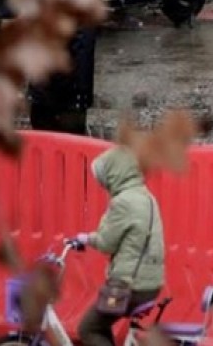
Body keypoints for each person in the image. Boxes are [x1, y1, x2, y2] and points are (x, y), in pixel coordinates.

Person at [75, 146, 165, 346]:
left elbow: (106, 243)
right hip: (150, 285)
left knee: (88, 329)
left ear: (115, 174)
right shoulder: (147, 197)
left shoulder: (124, 202)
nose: (103, 185)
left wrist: (86, 238)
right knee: (102, 324)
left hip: (127, 288)